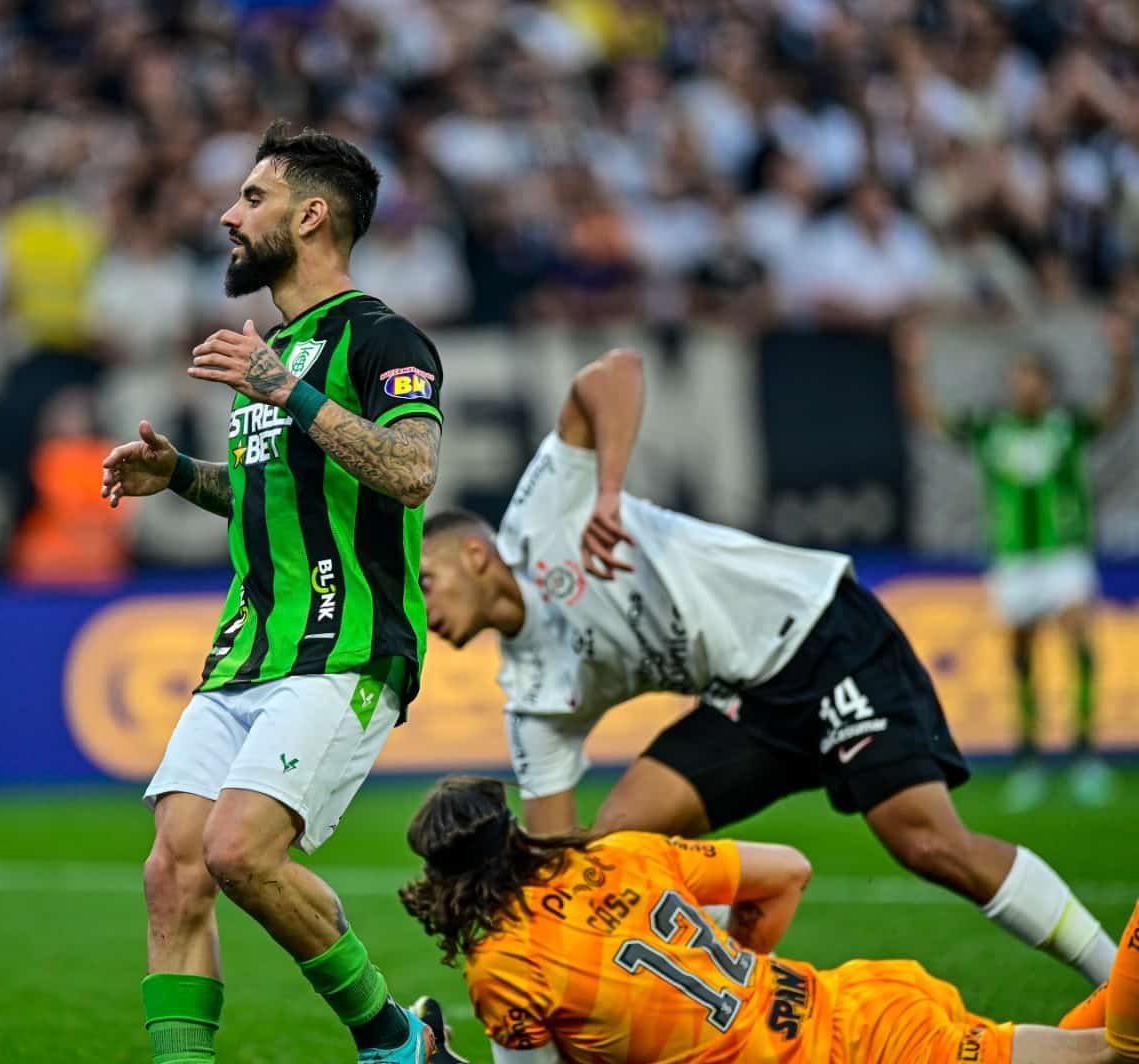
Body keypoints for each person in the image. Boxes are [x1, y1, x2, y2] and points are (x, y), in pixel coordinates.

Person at [415, 348, 1115, 985]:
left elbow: (616, 371)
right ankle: (729, 998)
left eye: (425, 582)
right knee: (613, 849)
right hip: (747, 698)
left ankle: (1117, 981)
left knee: (929, 843)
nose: (425, 610)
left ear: (476, 557)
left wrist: (607, 491)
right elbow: (558, 865)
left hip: (820, 632)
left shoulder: (544, 513)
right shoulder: (532, 695)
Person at [101, 122, 445, 1064]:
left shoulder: (383, 339)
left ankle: (394, 1041)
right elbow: (270, 490)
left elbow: (412, 470)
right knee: (173, 871)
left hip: (344, 648)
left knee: (238, 851)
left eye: (251, 199)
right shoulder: (276, 351)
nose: (228, 214)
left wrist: (283, 389)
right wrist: (178, 474)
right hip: (248, 647)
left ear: (312, 214)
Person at [400, 775, 1139, 1063]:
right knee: (1096, 1049)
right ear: (518, 833)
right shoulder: (623, 852)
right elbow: (788, 870)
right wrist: (726, 961)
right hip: (859, 1005)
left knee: (1110, 1055)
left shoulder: (503, 965)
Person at [897, 333, 1134, 811]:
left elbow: (1115, 410)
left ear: (1046, 385)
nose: (1022, 387)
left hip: (1062, 553)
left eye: (1030, 379)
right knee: (1021, 656)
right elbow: (926, 416)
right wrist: (909, 365)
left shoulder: (1067, 426)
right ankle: (1030, 758)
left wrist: (1123, 357)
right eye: (1017, 379)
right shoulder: (992, 429)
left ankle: (1086, 755)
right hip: (1013, 560)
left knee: (1078, 642)